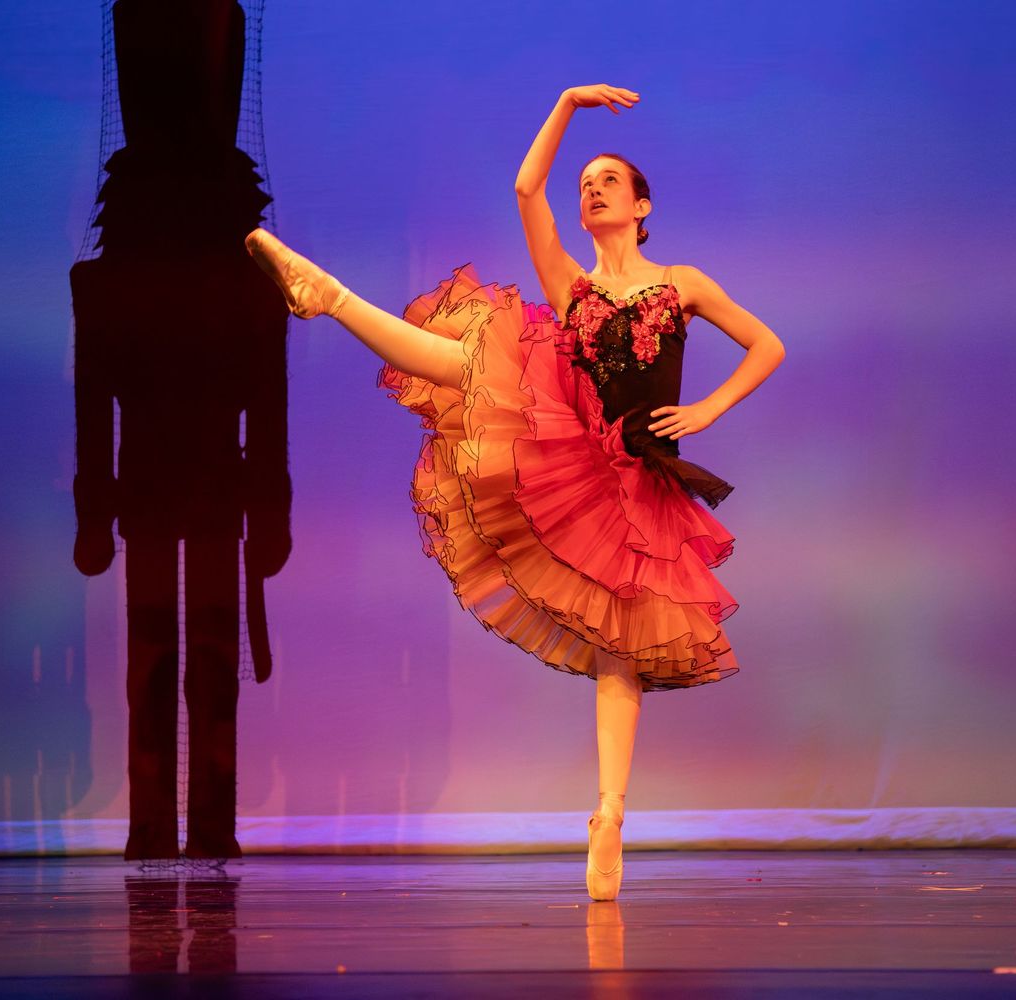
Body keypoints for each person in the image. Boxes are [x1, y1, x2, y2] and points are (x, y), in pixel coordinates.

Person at [245, 83, 785, 899]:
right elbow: (528, 188)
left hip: (638, 477)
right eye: (586, 184)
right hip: (567, 441)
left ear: (642, 206)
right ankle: (330, 296)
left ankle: (609, 814)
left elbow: (766, 343)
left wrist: (707, 409)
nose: (592, 190)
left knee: (621, 648)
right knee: (470, 363)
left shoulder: (682, 282)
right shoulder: (570, 285)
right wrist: (566, 105)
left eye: (608, 181)